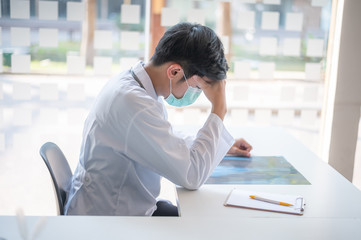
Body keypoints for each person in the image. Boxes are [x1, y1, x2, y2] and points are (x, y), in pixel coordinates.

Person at [64, 22, 252, 216]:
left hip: (119, 205)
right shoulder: (133, 104)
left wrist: (220, 145)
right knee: (208, 220)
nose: (197, 94)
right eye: (198, 88)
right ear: (174, 72)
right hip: (110, 220)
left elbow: (165, 139)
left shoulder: (135, 85)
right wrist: (219, 109)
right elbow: (192, 176)